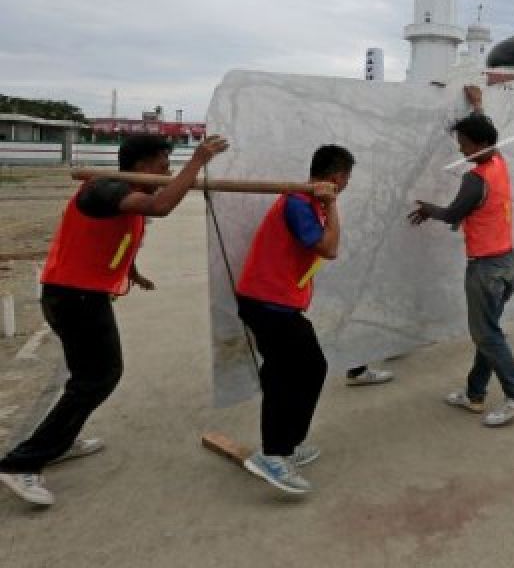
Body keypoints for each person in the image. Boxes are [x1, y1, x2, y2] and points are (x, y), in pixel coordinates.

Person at [0, 134, 229, 507]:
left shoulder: (121, 195)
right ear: (139, 165)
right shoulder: (105, 189)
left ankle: (59, 441)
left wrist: (131, 270)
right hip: (75, 298)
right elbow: (161, 206)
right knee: (99, 376)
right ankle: (21, 463)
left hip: (76, 295)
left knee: (86, 378)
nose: (167, 171)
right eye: (162, 165)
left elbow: (115, 236)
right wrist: (197, 161)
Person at [408, 86, 514, 427]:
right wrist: (477, 106)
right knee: (488, 331)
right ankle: (474, 394)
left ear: (477, 145)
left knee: (486, 334)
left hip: (486, 268)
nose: (459, 148)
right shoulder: (499, 162)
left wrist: (427, 208)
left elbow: (451, 215)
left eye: (462, 142)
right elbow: (487, 134)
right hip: (506, 263)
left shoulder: (475, 179)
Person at [235, 144, 353, 495]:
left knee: (302, 370)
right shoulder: (298, 204)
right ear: (336, 177)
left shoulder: (308, 202)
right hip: (267, 304)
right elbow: (329, 249)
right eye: (345, 179)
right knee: (290, 375)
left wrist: (327, 204)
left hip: (278, 303)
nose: (345, 185)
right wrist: (332, 204)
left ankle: (289, 442)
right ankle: (272, 454)